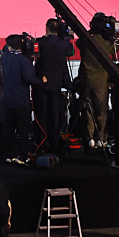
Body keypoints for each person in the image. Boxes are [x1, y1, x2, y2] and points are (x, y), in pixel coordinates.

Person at [34, 19, 74, 154]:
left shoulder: (41, 43)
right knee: (55, 114)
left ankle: (41, 142)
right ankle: (54, 142)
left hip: (42, 83)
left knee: (41, 115)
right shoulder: (64, 44)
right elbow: (71, 52)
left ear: (46, 28)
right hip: (56, 84)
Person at [77, 14, 115, 149]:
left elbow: (78, 43)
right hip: (101, 82)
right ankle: (101, 138)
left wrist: (90, 32)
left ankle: (90, 137)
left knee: (88, 110)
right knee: (102, 111)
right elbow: (116, 48)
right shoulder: (107, 43)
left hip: (87, 80)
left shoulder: (86, 42)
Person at [0, 33, 36, 162]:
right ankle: (22, 154)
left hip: (5, 100)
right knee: (23, 129)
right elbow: (28, 79)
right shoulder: (25, 61)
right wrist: (41, 80)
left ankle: (8, 154)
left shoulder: (2, 59)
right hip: (21, 101)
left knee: (7, 129)